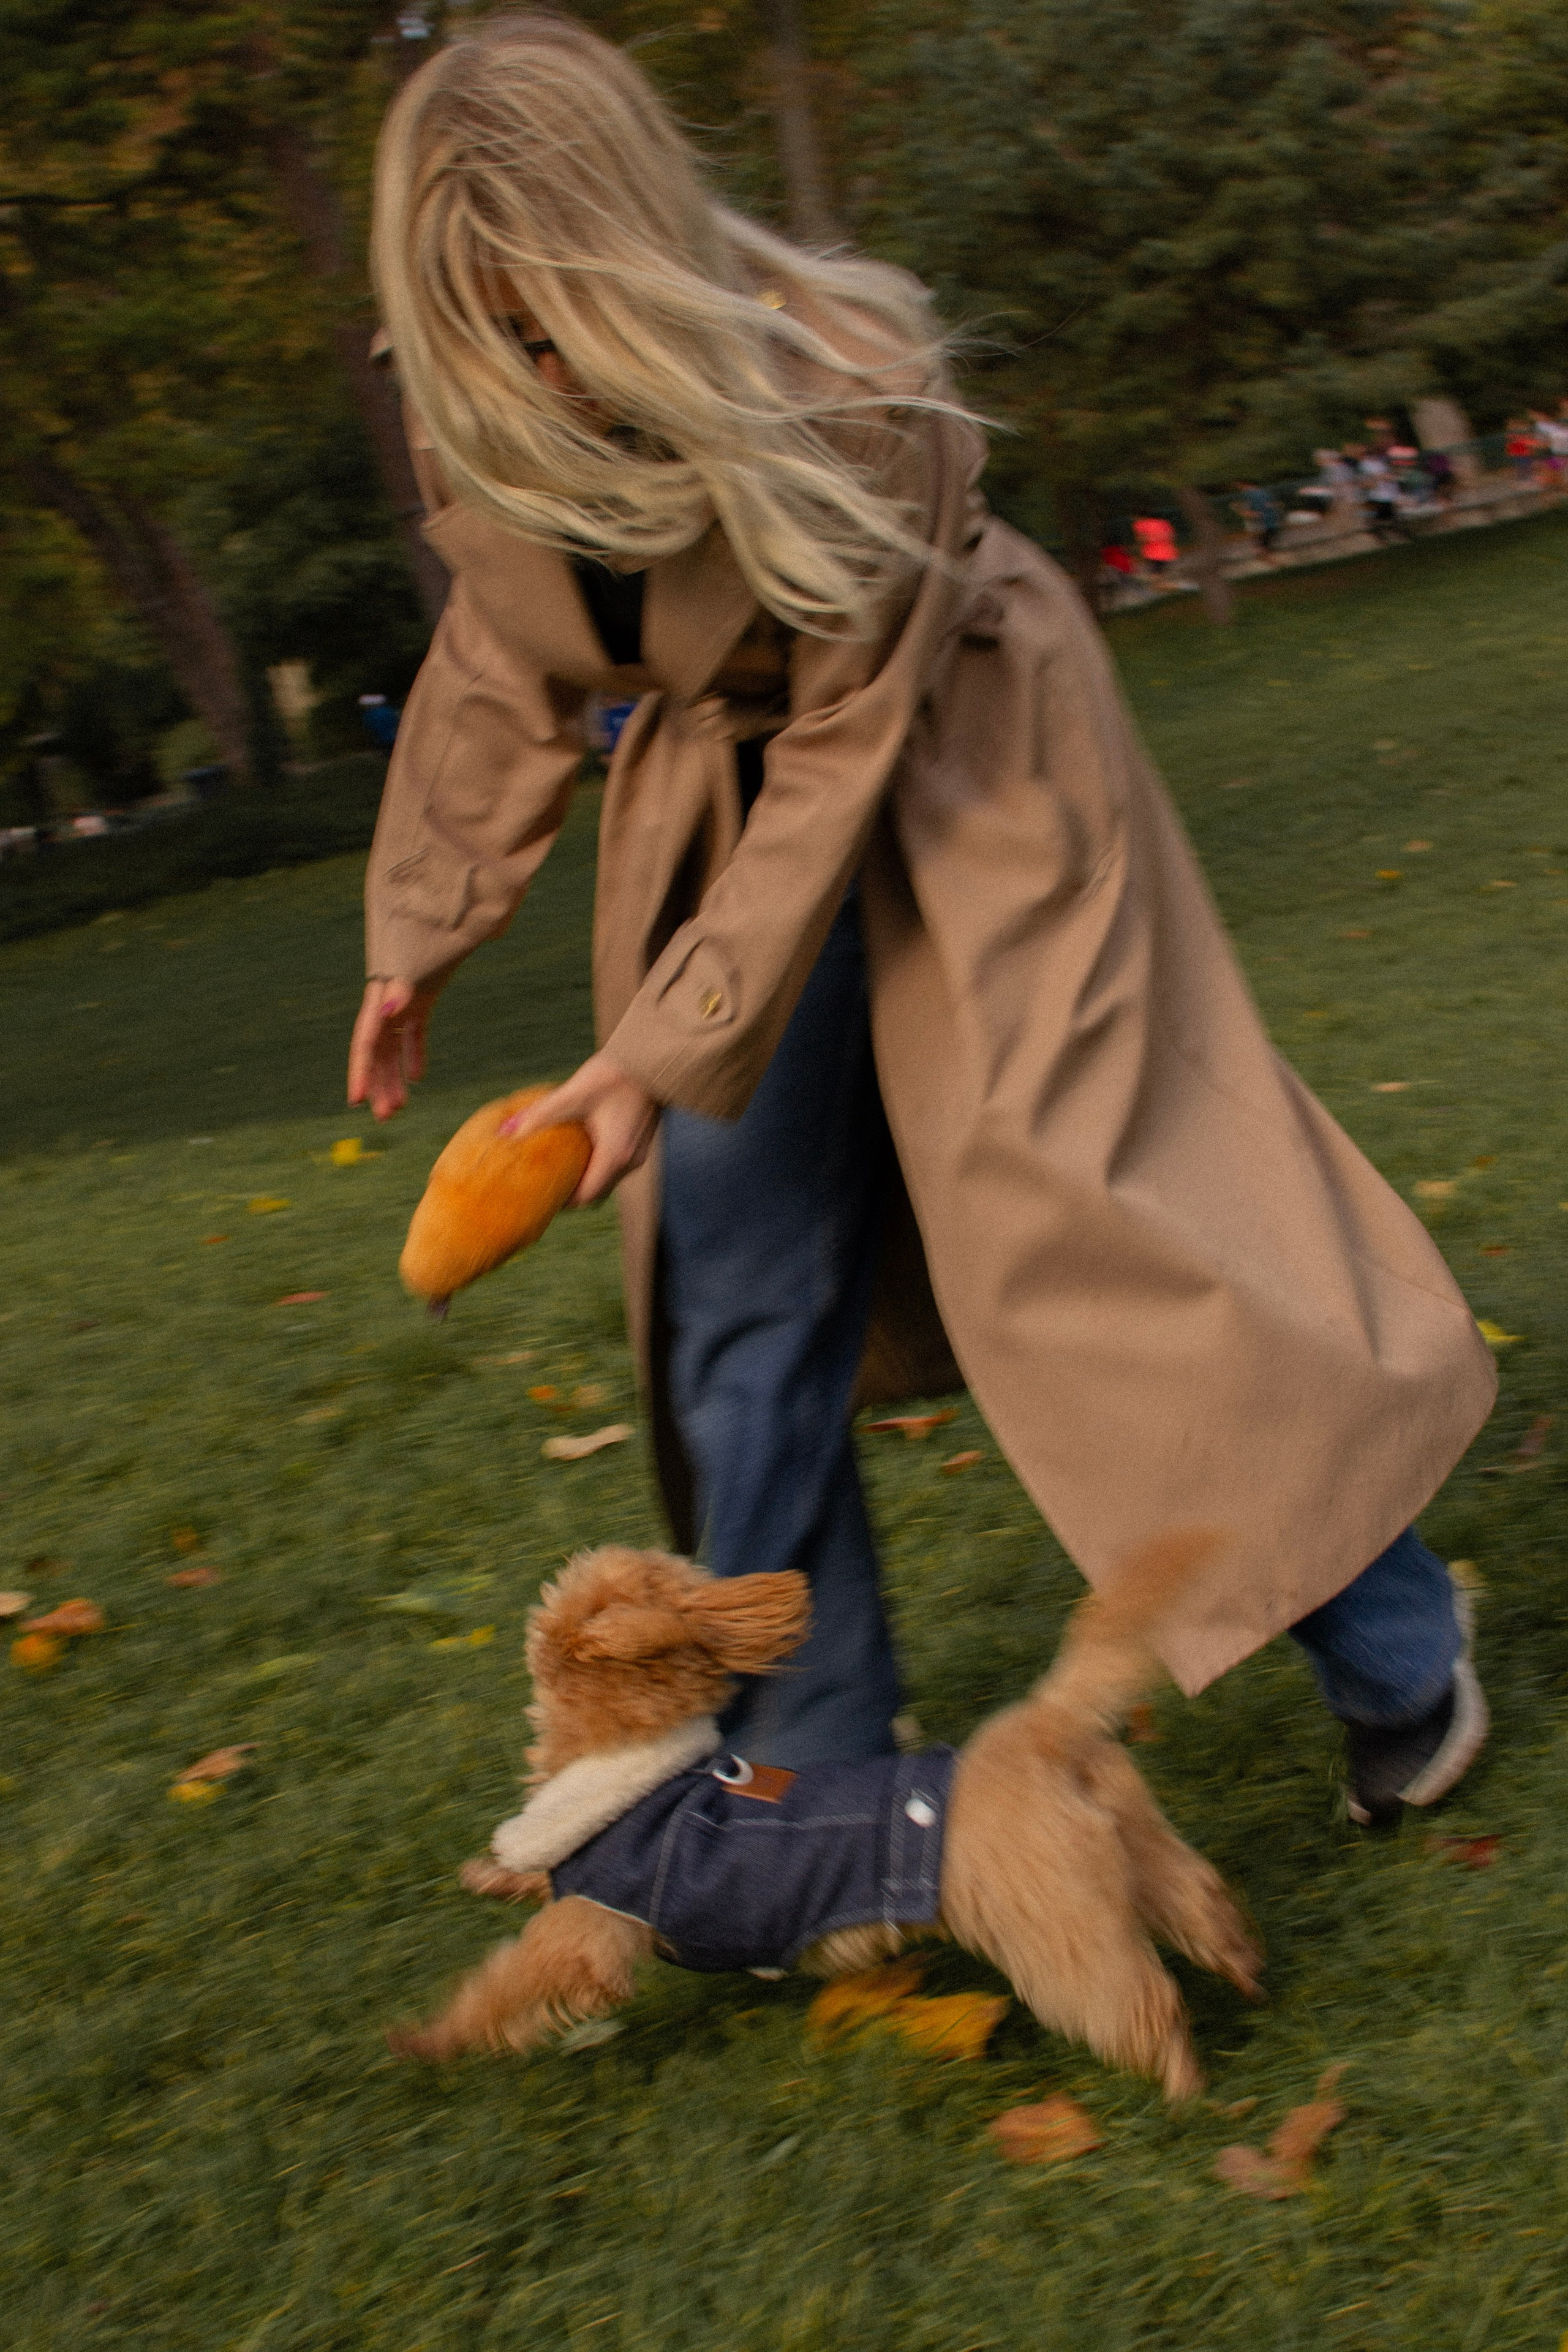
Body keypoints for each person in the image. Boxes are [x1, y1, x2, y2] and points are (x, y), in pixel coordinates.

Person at [349, 14, 1494, 1826]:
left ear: (640, 247)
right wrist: (421, 926)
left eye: (557, 311)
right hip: (732, 801)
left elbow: (840, 753)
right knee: (730, 1285)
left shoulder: (845, 386)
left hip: (966, 772)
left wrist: (653, 1053)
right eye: (488, 326)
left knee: (1101, 1233)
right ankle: (810, 1783)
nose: (534, 363)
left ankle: (1397, 1652)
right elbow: (500, 656)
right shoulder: (478, 406)